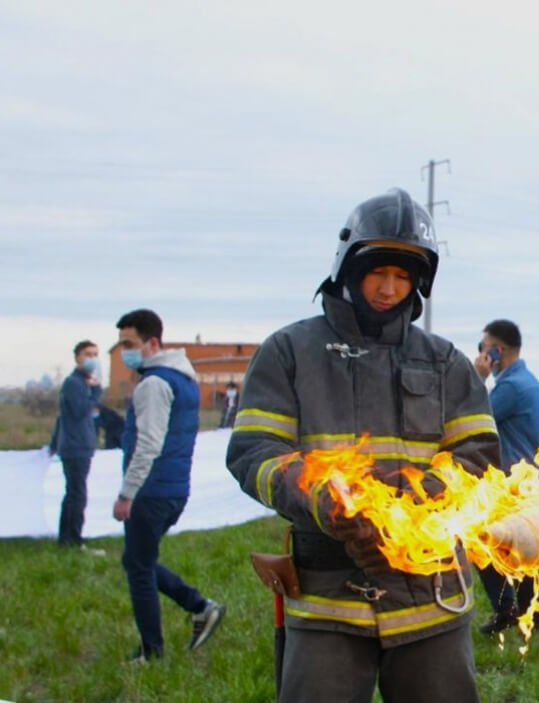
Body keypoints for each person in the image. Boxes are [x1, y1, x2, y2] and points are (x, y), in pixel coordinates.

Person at [226, 189, 500, 702]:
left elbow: (479, 459)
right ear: (348, 267)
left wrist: (411, 498)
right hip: (327, 598)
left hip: (431, 595)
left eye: (403, 277)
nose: (390, 289)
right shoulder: (289, 352)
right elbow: (254, 452)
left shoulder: (446, 362)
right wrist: (318, 497)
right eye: (378, 272)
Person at [113, 309, 226, 663]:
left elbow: (148, 444)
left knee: (139, 568)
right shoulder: (183, 379)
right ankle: (199, 606)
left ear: (153, 343)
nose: (124, 352)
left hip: (151, 490)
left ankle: (152, 650)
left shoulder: (154, 384)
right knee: (137, 561)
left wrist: (126, 494)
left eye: (129, 344)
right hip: (174, 488)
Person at [472, 319, 539, 636]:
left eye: (482, 347)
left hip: (511, 483)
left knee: (487, 548)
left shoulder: (511, 387)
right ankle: (525, 618)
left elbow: (475, 417)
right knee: (520, 554)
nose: (480, 353)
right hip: (523, 481)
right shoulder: (526, 381)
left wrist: (478, 379)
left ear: (496, 351)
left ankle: (514, 614)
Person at [49, 340, 104, 552]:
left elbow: (63, 417)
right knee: (77, 494)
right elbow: (80, 411)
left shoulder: (81, 383)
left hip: (77, 444)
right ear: (77, 357)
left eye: (95, 354)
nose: (92, 358)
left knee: (73, 492)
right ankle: (73, 538)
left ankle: (67, 538)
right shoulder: (74, 383)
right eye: (87, 354)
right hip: (76, 447)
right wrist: (97, 392)